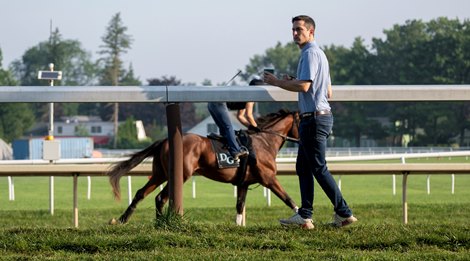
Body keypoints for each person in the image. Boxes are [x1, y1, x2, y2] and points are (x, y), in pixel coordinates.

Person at [264, 15, 357, 229]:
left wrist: (278, 82)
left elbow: (305, 86)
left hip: (314, 119)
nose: (295, 33)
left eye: (299, 30)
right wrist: (292, 81)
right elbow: (328, 91)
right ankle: (305, 216)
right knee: (304, 167)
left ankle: (344, 212)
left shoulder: (310, 54)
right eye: (293, 30)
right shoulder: (318, 54)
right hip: (317, 117)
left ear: (311, 32)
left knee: (318, 167)